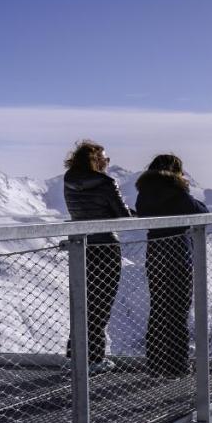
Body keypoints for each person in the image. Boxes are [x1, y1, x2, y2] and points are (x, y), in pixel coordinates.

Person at [62, 140, 132, 373]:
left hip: (81, 246)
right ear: (96, 160)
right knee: (101, 304)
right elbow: (122, 214)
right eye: (106, 158)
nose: (108, 163)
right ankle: (94, 359)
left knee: (82, 302)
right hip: (105, 246)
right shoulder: (106, 183)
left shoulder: (69, 181)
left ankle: (76, 357)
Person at [135, 154, 207, 377]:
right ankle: (177, 366)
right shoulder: (177, 191)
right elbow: (201, 212)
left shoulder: (144, 193)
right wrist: (184, 189)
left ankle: (155, 365)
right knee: (178, 312)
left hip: (155, 254)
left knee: (158, 309)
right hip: (178, 256)